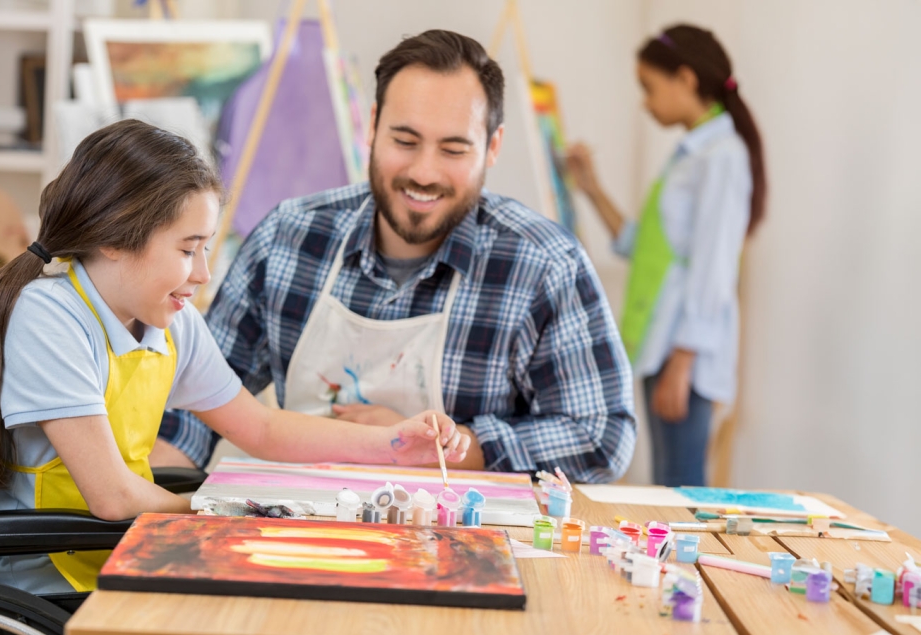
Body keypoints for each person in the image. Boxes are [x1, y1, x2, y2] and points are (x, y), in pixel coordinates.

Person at [0, 120, 468, 594]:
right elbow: (113, 499)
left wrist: (396, 446)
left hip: (113, 556)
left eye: (207, 248)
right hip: (34, 583)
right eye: (188, 249)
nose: (203, 273)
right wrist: (231, 510)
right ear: (116, 238)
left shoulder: (169, 322)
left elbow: (259, 428)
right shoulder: (51, 316)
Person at [157, 30, 636, 482]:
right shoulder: (289, 236)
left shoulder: (544, 264)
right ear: (372, 127)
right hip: (301, 529)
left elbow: (602, 436)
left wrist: (447, 449)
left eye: (453, 149)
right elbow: (197, 397)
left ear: (492, 147)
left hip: (462, 544)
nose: (423, 172)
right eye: (405, 142)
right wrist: (139, 504)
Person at [566, 24, 767, 487]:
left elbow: (716, 267)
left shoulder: (721, 156)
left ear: (686, 79)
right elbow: (647, 247)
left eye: (649, 87)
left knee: (679, 488)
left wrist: (683, 361)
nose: (645, 101)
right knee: (667, 483)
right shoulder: (692, 154)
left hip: (684, 355)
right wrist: (592, 188)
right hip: (666, 346)